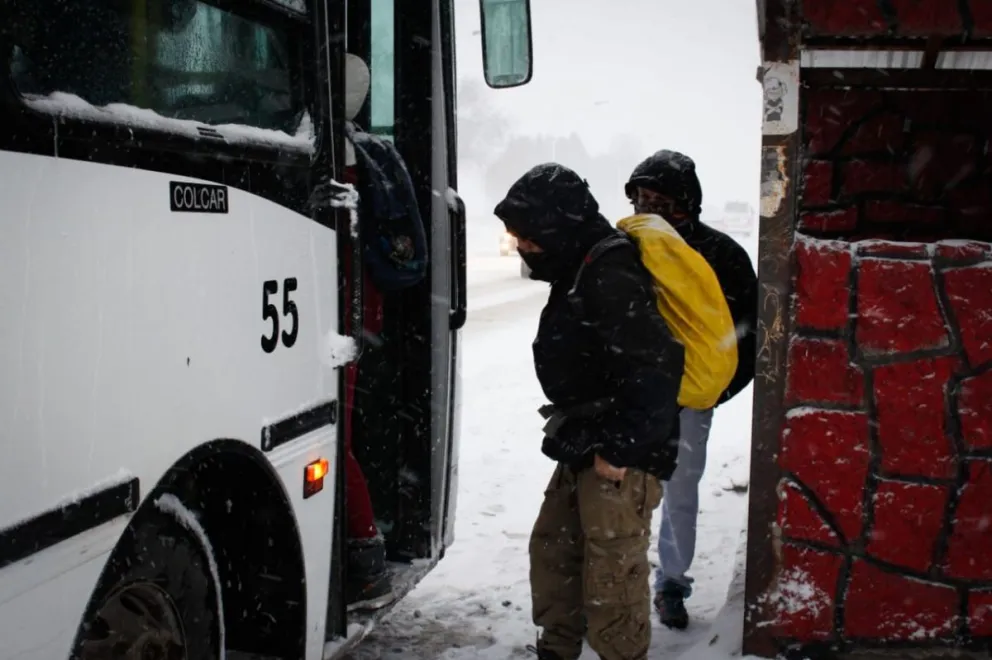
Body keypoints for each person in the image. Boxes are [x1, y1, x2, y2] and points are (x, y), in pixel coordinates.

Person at [494, 163, 685, 660]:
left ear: (556, 224)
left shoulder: (611, 271)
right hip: (586, 439)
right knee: (556, 554)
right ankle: (557, 650)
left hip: (620, 452)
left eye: (528, 235)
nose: (523, 246)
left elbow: (656, 366)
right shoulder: (580, 262)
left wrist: (620, 449)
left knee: (611, 576)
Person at [624, 150, 757, 630]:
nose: (649, 209)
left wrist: (714, 391)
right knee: (619, 488)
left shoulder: (720, 255)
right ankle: (615, 579)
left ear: (687, 205)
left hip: (690, 402)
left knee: (679, 489)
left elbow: (748, 331)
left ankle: (672, 584)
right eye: (641, 199)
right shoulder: (625, 247)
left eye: (661, 201)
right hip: (631, 396)